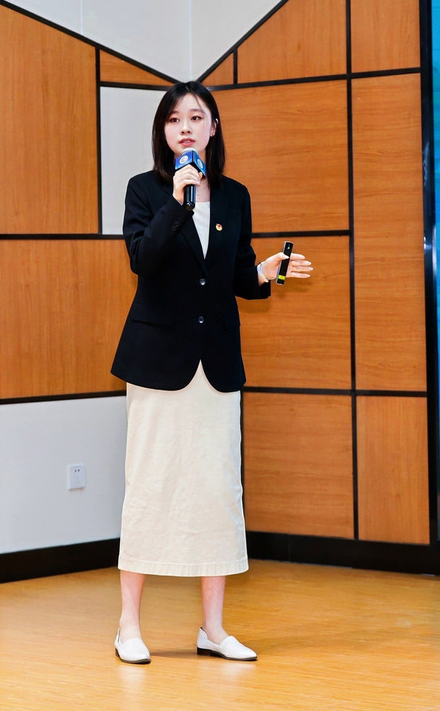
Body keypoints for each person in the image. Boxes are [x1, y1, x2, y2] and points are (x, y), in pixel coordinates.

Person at [109, 81, 312, 665]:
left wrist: (266, 271)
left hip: (216, 366)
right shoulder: (146, 190)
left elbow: (236, 277)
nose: (186, 128)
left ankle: (213, 629)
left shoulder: (235, 195)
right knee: (150, 487)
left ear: (214, 128)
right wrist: (178, 200)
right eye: (174, 120)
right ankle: (128, 627)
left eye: (196, 118)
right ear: (163, 132)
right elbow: (143, 259)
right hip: (158, 364)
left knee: (218, 490)